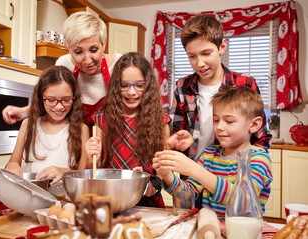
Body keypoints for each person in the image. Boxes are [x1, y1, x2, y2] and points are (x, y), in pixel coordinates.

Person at [153, 86, 273, 216]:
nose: (219, 127)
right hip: (211, 229)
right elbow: (187, 196)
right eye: (216, 120)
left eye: (229, 121)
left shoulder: (259, 158)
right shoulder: (209, 154)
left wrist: (194, 169)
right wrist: (167, 175)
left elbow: (244, 201)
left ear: (254, 125)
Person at [166, 14, 272, 162]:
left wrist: (252, 171)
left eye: (206, 53)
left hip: (231, 173)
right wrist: (180, 140)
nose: (200, 63)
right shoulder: (182, 86)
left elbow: (261, 137)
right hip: (193, 176)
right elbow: (176, 132)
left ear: (222, 47)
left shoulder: (245, 83)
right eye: (192, 56)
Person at [2, 11, 122, 129]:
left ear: (104, 44)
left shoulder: (120, 65)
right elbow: (52, 100)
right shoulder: (64, 64)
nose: (87, 60)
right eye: (78, 52)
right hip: (76, 138)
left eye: (94, 50)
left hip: (111, 138)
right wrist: (23, 112)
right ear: (69, 49)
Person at [85, 52, 171, 208]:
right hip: (109, 202)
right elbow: (94, 168)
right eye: (124, 85)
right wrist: (92, 155)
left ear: (148, 86)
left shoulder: (161, 122)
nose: (132, 92)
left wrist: (149, 184)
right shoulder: (101, 119)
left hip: (147, 204)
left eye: (139, 85)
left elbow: (163, 172)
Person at [5, 66, 89, 185]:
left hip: (63, 200)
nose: (59, 106)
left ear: (74, 99)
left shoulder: (81, 129)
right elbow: (13, 162)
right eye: (51, 100)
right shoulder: (28, 124)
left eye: (66, 100)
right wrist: (12, 167)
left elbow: (82, 175)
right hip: (27, 197)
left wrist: (63, 172)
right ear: (41, 98)